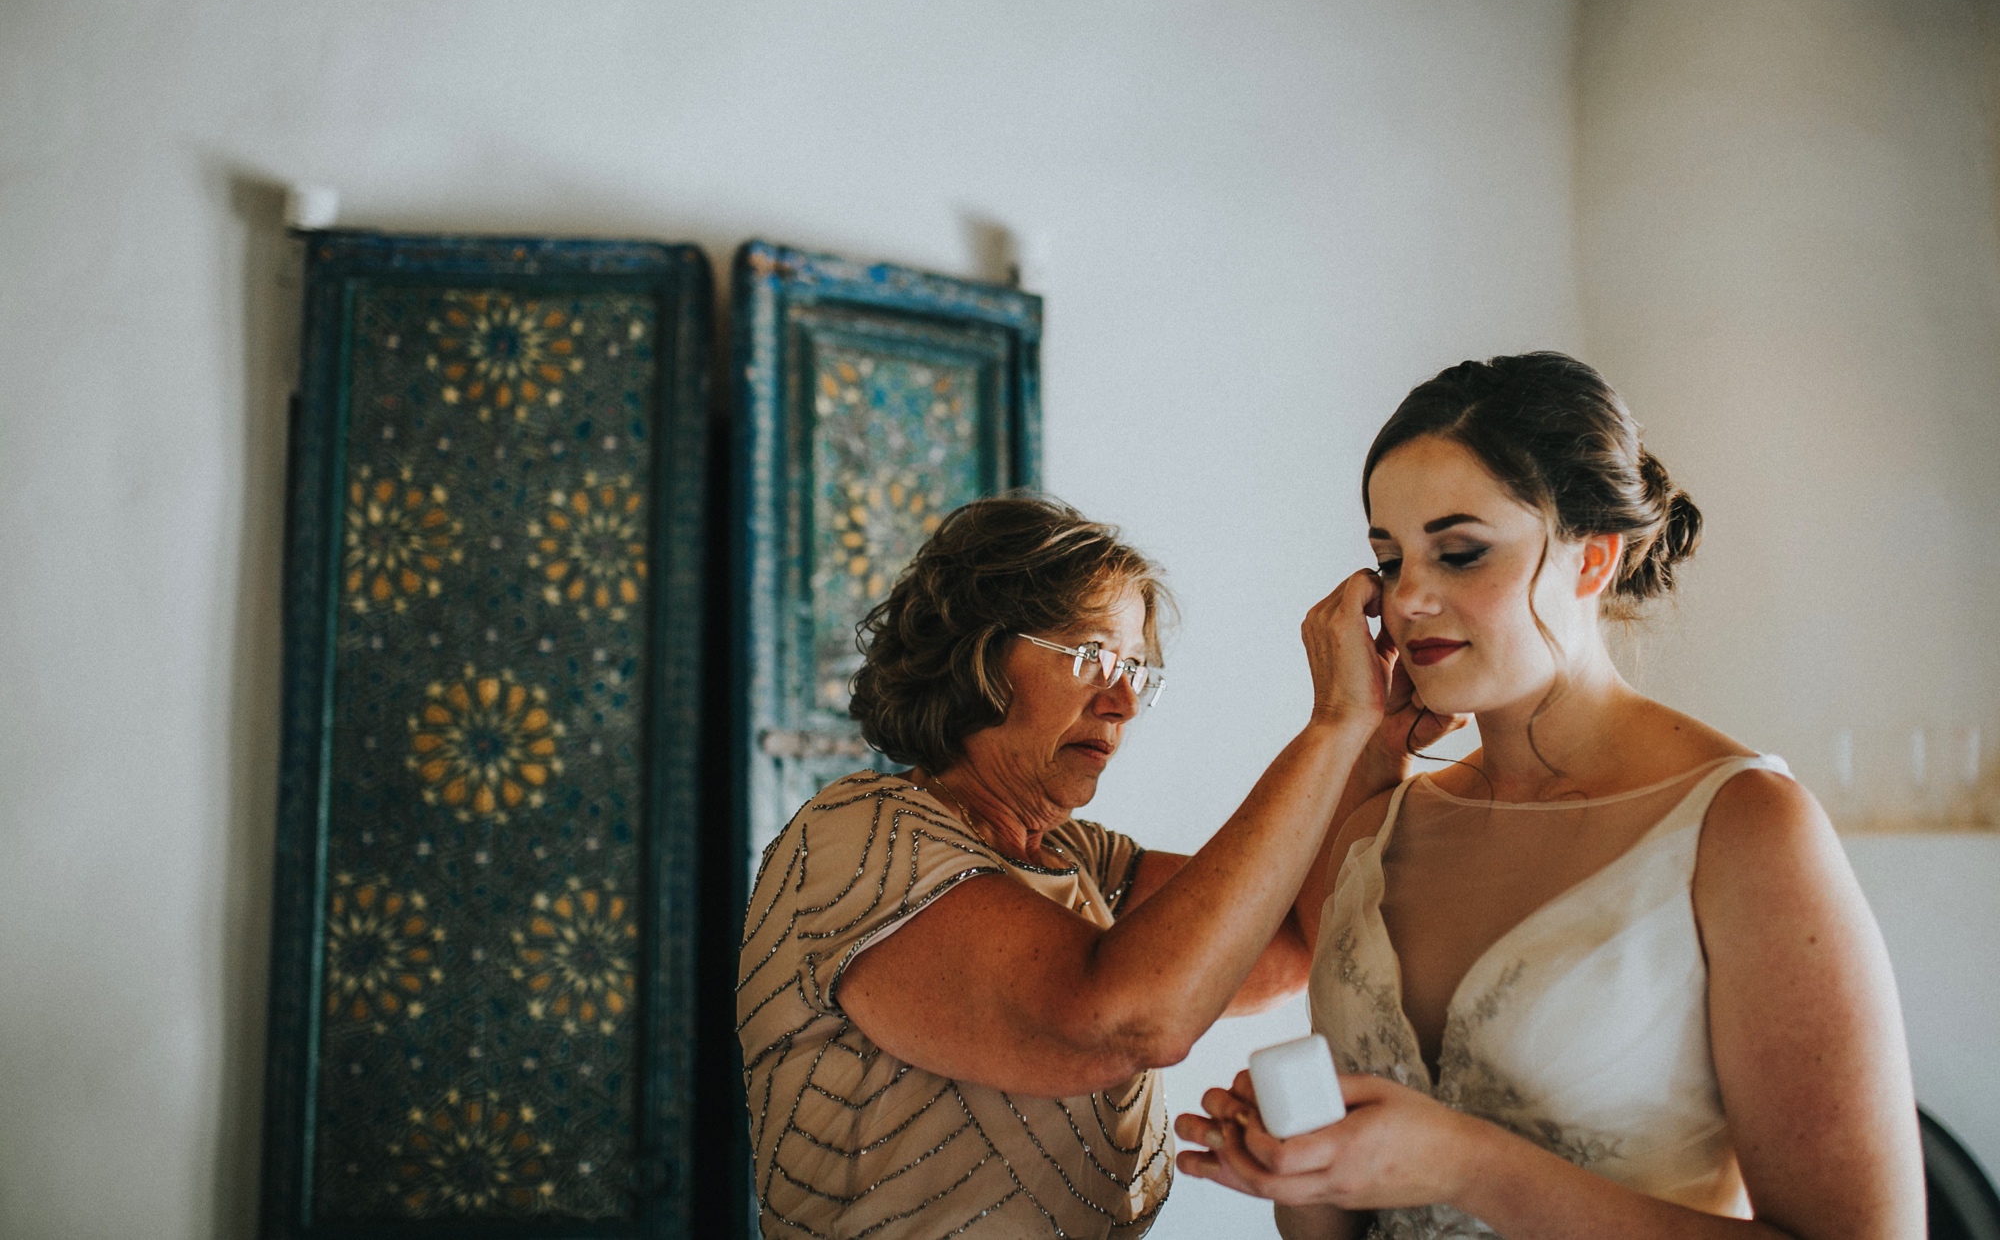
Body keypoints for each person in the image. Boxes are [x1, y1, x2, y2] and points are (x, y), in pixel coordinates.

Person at [1175, 352, 1926, 1239]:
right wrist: (1298, 1165)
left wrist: (1467, 1164)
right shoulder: (1380, 823)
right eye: (1387, 559)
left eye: (1459, 552)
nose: (1409, 596)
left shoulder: (1742, 827)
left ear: (1593, 558)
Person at [736, 494, 1448, 1237]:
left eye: (1135, 670)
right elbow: (1123, 1023)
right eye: (1089, 657)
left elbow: (1293, 944)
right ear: (976, 650)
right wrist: (1332, 724)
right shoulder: (853, 839)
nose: (1122, 703)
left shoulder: (1076, 860)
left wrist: (1376, 747)